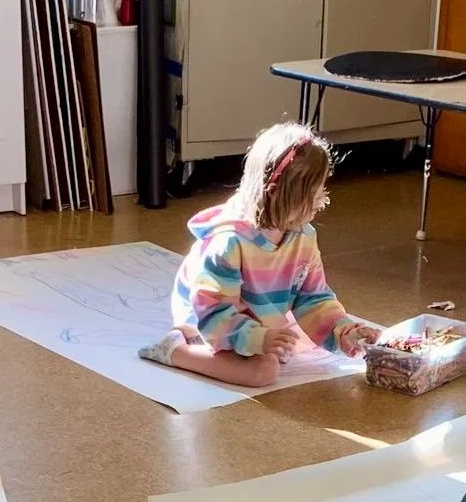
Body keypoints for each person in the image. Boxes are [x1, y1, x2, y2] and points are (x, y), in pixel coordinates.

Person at [139, 122, 380, 387]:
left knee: (296, 345)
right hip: (208, 322)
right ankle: (175, 351)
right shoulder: (228, 242)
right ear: (278, 193)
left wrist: (344, 331)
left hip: (256, 315)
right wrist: (258, 339)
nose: (323, 199)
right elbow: (213, 312)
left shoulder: (303, 235)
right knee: (264, 371)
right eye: (313, 192)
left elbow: (313, 297)